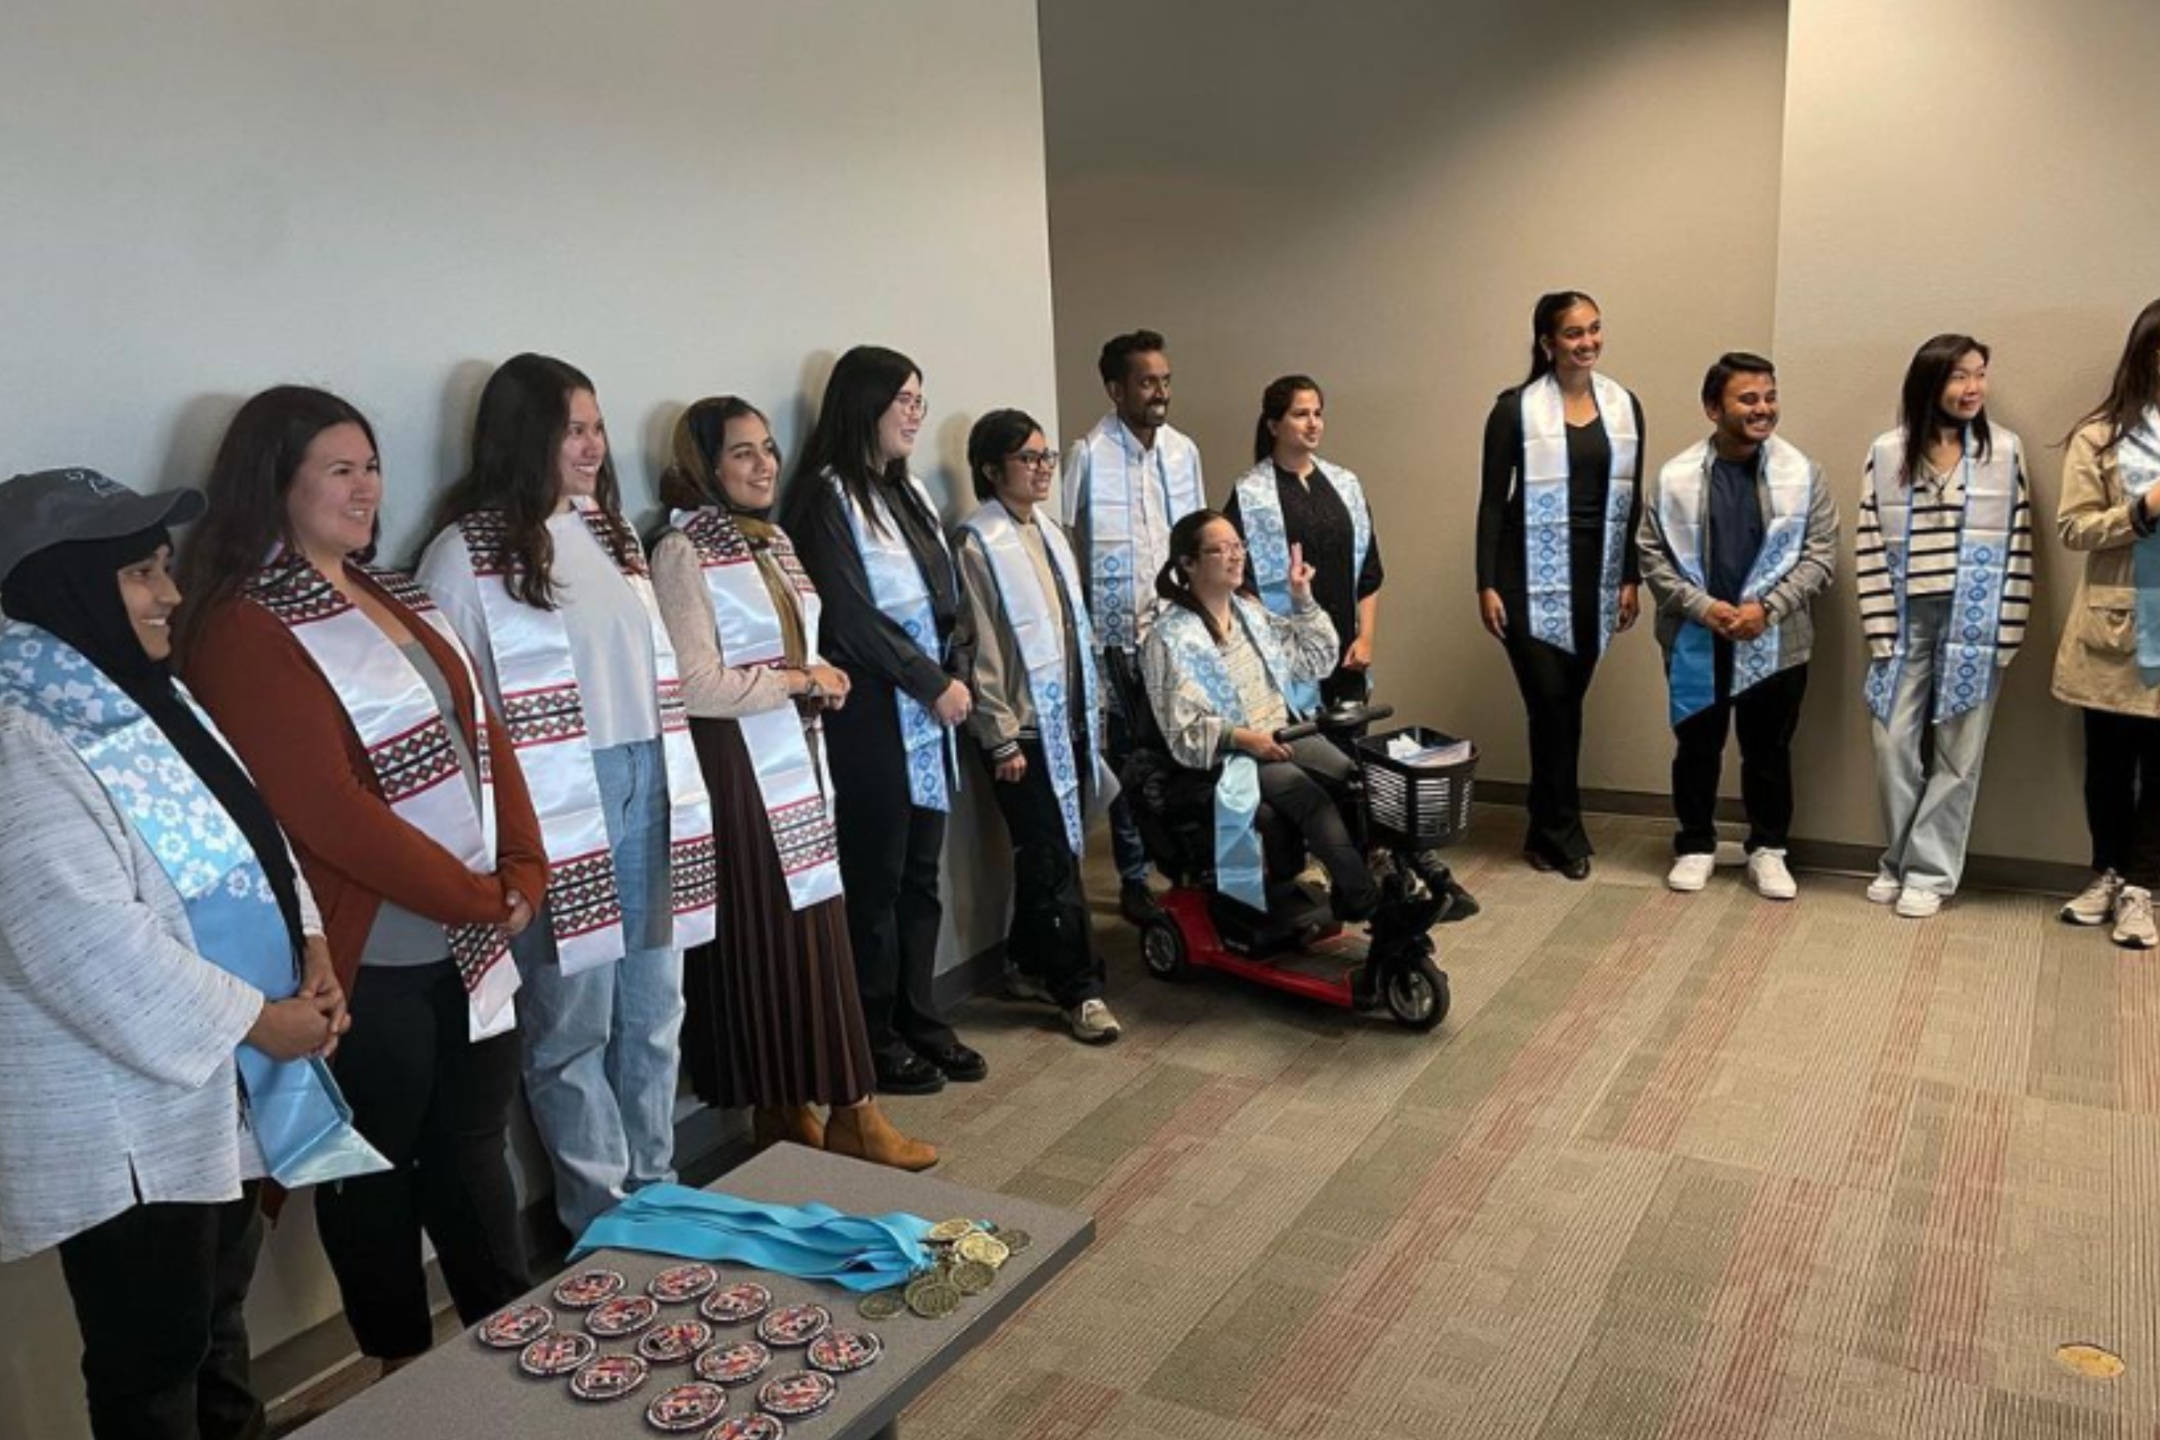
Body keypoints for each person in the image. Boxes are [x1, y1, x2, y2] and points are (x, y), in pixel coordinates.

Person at [177, 386, 547, 1371]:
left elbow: (482, 730)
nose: (366, 487)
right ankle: (401, 1370)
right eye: (338, 469)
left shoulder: (395, 593)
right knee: (372, 1172)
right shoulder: (242, 625)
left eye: (371, 465)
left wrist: (524, 866)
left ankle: (508, 1348)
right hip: (372, 949)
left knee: (473, 1155)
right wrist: (480, 895)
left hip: (471, 934)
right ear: (276, 485)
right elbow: (326, 808)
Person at [0, 469, 355, 1440]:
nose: (171, 594)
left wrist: (311, 942)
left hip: (218, 1086)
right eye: (142, 575)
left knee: (216, 1330)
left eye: (165, 567)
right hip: (128, 1121)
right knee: (150, 1366)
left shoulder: (149, 695)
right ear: (64, 586)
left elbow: (255, 835)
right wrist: (260, 1017)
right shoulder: (19, 739)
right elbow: (84, 945)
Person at [416, 353, 716, 1236]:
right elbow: (454, 711)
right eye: (570, 429)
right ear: (523, 436)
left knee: (657, 1007)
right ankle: (603, 1213)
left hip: (650, 779)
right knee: (574, 1022)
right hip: (560, 800)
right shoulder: (464, 554)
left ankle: (657, 1185)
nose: (591, 446)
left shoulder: (612, 534)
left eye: (595, 427)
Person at [649, 395, 936, 1168]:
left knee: (809, 934)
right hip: (737, 773)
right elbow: (696, 684)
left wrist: (815, 681)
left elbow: (796, 647)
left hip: (794, 758)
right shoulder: (682, 553)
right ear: (704, 466)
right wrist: (798, 679)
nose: (764, 464)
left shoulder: (771, 540)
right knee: (776, 940)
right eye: (742, 452)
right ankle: (843, 1109)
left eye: (768, 449)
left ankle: (798, 1109)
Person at [778, 346, 986, 1096]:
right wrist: (930, 681)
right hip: (871, 710)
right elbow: (847, 614)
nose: (913, 413)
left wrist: (955, 667)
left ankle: (919, 1016)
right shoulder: (823, 497)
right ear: (861, 403)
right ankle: (870, 1032)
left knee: (921, 876)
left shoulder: (909, 494)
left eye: (919, 400)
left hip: (930, 710)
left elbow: (946, 596)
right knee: (876, 879)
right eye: (901, 398)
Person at [1638, 353, 1838, 898]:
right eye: (1748, 399)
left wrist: (1767, 608)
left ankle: (1769, 850)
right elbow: (1651, 554)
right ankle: (1696, 845)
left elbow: (1821, 556)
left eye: (1770, 397)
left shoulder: (1804, 474)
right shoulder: (1676, 477)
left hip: (1775, 636)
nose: (1763, 409)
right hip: (1698, 634)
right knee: (1697, 747)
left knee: (1769, 750)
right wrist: (1703, 607)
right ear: (1712, 408)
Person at [956, 409, 1121, 1045]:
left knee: (1052, 851)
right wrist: (997, 736)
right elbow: (981, 650)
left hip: (1067, 719)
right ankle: (1079, 989)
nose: (1042, 468)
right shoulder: (977, 543)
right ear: (992, 469)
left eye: (1046, 456)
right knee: (1054, 855)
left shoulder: (1049, 532)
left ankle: (1027, 960)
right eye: (1029, 458)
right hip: (1020, 731)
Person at [1855, 334, 2032, 918]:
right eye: (1959, 376)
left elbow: (2018, 546)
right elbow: (1868, 543)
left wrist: (2007, 631)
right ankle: (1899, 859)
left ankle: (1927, 874)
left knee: (1960, 754)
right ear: (1929, 382)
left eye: (1980, 374)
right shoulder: (1886, 452)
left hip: (1974, 621)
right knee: (1892, 746)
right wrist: (1880, 629)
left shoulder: (2004, 451)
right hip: (1905, 619)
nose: (1973, 388)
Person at [1475, 292, 1646, 879]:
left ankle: (1541, 828)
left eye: (1595, 329)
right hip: (1526, 575)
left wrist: (1630, 575)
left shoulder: (1624, 407)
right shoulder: (1514, 410)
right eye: (1573, 333)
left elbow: (1633, 498)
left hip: (1593, 578)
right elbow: (1492, 503)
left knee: (1565, 706)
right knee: (1550, 704)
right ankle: (1563, 832)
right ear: (1548, 343)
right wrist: (1487, 583)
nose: (1588, 342)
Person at [1140, 509, 1378, 924]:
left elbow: (1316, 659)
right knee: (1308, 797)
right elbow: (1181, 731)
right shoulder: (1169, 637)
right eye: (1221, 549)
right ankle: (1366, 901)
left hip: (1283, 731)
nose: (1236, 557)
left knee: (1353, 777)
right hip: (1231, 752)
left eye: (1239, 546)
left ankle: (1360, 882)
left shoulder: (1249, 612)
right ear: (1188, 563)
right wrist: (1247, 739)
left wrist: (1302, 598)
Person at [1060, 329, 1205, 925]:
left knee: (1184, 747)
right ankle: (1133, 874)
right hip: (1118, 638)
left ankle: (1187, 862)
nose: (1160, 392)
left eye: (1165, 380)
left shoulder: (1183, 451)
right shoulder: (1088, 453)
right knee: (1127, 758)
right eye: (1147, 382)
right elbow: (1068, 541)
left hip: (1176, 631)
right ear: (1116, 388)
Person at [2053, 298, 2160, 949]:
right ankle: (2108, 874)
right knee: (2109, 766)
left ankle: (2143, 890)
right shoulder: (2100, 435)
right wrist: (2143, 508)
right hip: (2114, 630)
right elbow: (2073, 528)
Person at [1225, 374, 1384, 713]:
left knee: (1350, 754)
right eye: (1300, 414)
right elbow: (1239, 581)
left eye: (1318, 413)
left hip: (1347, 652)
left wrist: (1366, 637)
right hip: (1289, 653)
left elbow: (1369, 570)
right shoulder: (1251, 495)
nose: (1313, 424)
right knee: (1304, 755)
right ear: (1273, 425)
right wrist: (1276, 642)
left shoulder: (1345, 485)